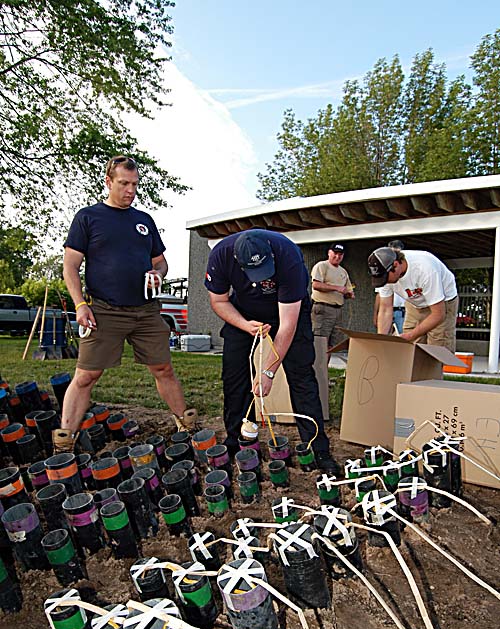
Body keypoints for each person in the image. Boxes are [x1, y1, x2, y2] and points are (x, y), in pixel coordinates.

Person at [52, 155, 195, 453]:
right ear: (108, 181)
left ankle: (187, 425)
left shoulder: (144, 221)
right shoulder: (88, 217)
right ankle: (64, 441)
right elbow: (70, 267)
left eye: (135, 184)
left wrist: (158, 273)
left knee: (163, 369)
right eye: (124, 183)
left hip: (145, 311)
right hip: (104, 309)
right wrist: (80, 305)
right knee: (87, 375)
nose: (130, 190)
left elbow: (161, 262)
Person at [204, 228, 340, 473]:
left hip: (289, 311)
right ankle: (238, 440)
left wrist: (267, 373)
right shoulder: (221, 255)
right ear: (238, 261)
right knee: (234, 374)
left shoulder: (288, 256)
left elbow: (287, 324)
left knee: (301, 375)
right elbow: (219, 300)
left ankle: (317, 447)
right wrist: (244, 325)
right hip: (242, 312)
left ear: (271, 255)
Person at [367, 244, 459, 351]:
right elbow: (385, 309)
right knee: (411, 347)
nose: (384, 281)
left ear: (395, 265)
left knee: (437, 346)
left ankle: (435, 366)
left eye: (385, 277)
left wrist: (411, 335)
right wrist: (381, 341)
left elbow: (438, 314)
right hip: (414, 303)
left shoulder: (424, 269)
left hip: (443, 302)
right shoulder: (384, 273)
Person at [310, 243, 355, 347]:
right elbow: (316, 285)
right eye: (335, 253)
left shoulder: (343, 271)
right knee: (320, 342)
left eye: (340, 254)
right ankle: (317, 364)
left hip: (338, 310)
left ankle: (325, 363)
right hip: (323, 308)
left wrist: (349, 294)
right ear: (329, 253)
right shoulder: (322, 266)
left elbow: (347, 290)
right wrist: (337, 288)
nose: (337, 257)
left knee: (332, 344)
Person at [373, 239, 406, 333]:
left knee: (404, 338)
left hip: (403, 311)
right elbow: (379, 295)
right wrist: (376, 314)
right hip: (388, 308)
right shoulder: (384, 270)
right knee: (385, 338)